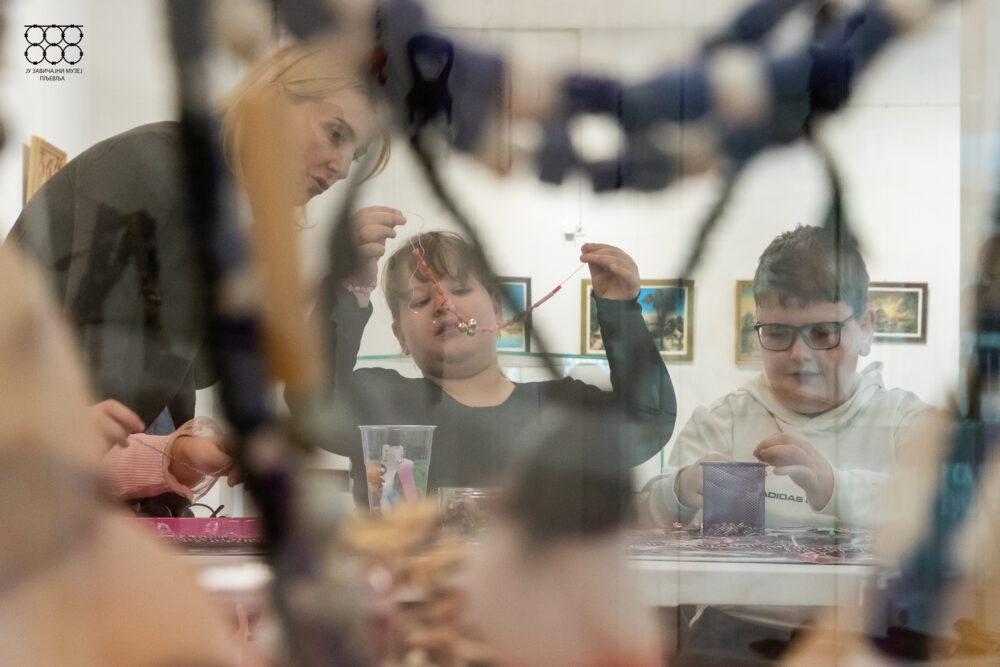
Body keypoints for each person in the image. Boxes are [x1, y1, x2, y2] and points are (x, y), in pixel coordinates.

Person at [6, 42, 394, 508]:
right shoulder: (151, 170)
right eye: (335, 133)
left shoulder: (216, 210)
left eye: (355, 152)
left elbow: (197, 369)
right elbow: (105, 397)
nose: (341, 167)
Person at [320, 228, 677, 507]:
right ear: (400, 336)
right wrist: (349, 293)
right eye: (421, 300)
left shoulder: (562, 408)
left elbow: (647, 424)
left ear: (497, 310)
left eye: (460, 290)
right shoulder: (382, 404)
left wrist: (620, 313)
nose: (444, 304)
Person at [643, 225, 936, 531]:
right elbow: (638, 521)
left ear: (866, 329)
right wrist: (677, 493)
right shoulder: (718, 424)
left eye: (823, 333)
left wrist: (834, 486)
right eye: (777, 333)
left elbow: (949, 512)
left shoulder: (908, 423)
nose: (800, 354)